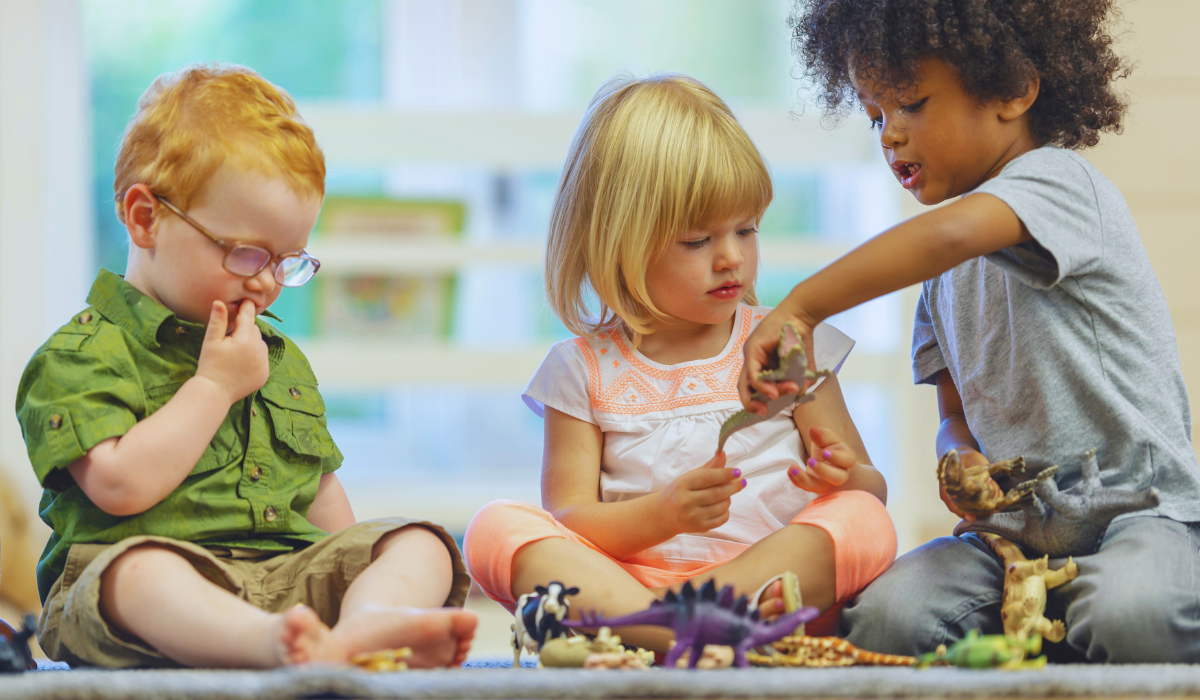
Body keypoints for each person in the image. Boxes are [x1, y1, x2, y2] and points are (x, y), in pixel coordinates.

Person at [737, 0, 1200, 662]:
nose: (889, 135)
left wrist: (802, 307)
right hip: (1010, 540)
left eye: (912, 104)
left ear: (1012, 90)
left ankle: (1107, 619)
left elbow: (953, 231)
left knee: (1134, 612)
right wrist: (960, 458)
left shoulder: (1060, 184)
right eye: (875, 117)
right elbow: (953, 412)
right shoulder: (940, 277)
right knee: (889, 618)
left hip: (1140, 516)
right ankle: (1055, 633)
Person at [16, 64, 477, 669]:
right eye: (247, 253)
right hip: (144, 578)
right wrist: (213, 385)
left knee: (420, 542)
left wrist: (353, 561)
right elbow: (119, 485)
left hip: (281, 579)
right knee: (137, 573)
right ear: (144, 217)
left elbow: (316, 489)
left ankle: (362, 630)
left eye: (286, 259)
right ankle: (266, 647)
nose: (266, 282)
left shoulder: (274, 356)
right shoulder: (79, 356)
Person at [464, 74, 896, 652]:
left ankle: (669, 634)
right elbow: (571, 519)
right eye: (697, 241)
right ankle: (681, 630)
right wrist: (662, 514)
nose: (732, 258)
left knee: (863, 519)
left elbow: (869, 489)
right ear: (618, 243)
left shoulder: (782, 344)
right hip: (627, 585)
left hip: (764, 586)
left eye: (746, 230)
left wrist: (843, 476)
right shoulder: (581, 370)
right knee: (493, 529)